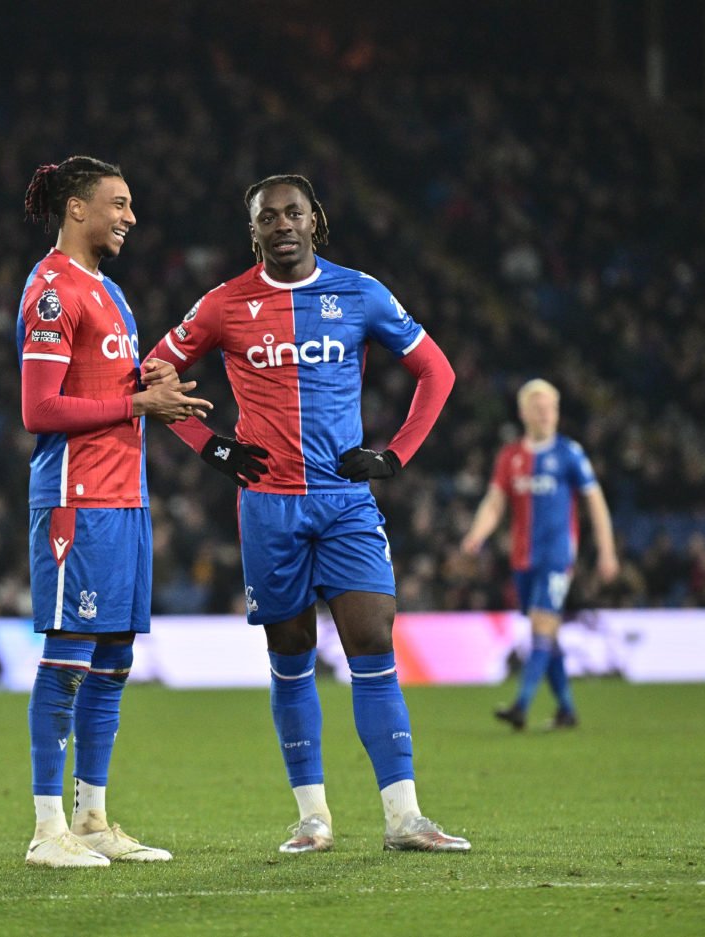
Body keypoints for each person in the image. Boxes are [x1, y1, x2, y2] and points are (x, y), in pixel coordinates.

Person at [144, 174, 467, 853]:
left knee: (373, 639)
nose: (283, 224)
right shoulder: (224, 305)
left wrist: (396, 457)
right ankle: (313, 817)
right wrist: (211, 446)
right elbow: (152, 372)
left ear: (316, 219)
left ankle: (405, 816)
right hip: (269, 506)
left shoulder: (361, 292)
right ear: (254, 231)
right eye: (269, 217)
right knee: (291, 650)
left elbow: (437, 371)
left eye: (294, 212)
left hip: (346, 502)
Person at [16, 156, 211, 868]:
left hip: (127, 499)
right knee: (67, 659)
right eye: (118, 203)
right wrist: (135, 403)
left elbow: (107, 383)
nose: (130, 216)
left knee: (115, 661)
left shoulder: (114, 294)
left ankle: (92, 818)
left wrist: (147, 379)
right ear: (77, 208)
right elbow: (39, 408)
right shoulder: (50, 291)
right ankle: (46, 831)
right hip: (77, 499)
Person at [459, 379, 618, 731]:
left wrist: (607, 551)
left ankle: (521, 705)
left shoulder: (569, 454)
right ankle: (566, 710)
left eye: (551, 407)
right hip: (522, 559)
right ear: (523, 412)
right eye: (539, 407)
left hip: (557, 556)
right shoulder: (510, 457)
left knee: (543, 625)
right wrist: (477, 535)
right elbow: (495, 502)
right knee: (546, 633)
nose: (546, 414)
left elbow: (595, 502)